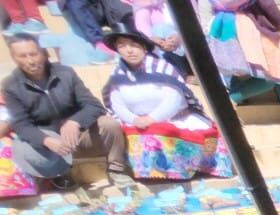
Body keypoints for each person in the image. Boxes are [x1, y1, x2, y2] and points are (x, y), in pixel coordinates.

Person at [3, 34, 131, 191]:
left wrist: (75, 121)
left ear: (43, 53)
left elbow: (93, 105)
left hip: (77, 137)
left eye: (33, 54)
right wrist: (46, 141)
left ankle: (117, 170)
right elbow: (21, 125)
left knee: (108, 123)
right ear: (14, 58)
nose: (30, 60)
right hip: (49, 144)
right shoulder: (11, 86)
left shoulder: (65, 73)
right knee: (23, 147)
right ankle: (59, 175)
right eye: (22, 56)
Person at [101, 29, 232, 180]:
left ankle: (176, 171)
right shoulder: (117, 75)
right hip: (136, 120)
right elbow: (117, 104)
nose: (129, 50)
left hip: (175, 118)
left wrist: (152, 118)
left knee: (156, 131)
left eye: (134, 45)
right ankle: (146, 174)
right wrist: (134, 119)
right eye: (122, 46)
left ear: (143, 48)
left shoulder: (163, 68)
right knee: (131, 132)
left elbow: (174, 98)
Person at [207, 0, 280, 123]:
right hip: (247, 27)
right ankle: (228, 103)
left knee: (278, 69)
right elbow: (267, 4)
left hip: (224, 26)